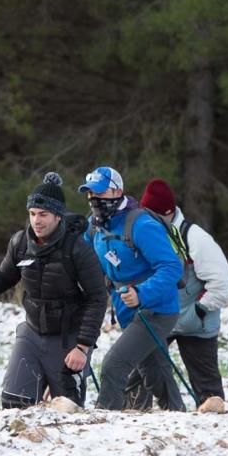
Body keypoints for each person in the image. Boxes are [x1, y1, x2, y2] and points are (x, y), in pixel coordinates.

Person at [0, 172, 107, 408]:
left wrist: (83, 347)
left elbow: (97, 298)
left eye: (43, 215)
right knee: (14, 404)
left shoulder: (78, 249)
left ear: (58, 216)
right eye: (32, 214)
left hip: (68, 339)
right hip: (32, 332)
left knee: (66, 411)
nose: (36, 221)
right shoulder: (20, 243)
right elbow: (5, 276)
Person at [78, 166, 185, 411]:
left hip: (157, 309)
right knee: (155, 372)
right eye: (90, 194)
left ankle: (104, 420)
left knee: (113, 365)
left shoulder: (141, 224)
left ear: (117, 191)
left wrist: (142, 293)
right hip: (126, 309)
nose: (94, 200)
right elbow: (82, 259)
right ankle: (179, 416)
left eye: (100, 193)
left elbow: (171, 267)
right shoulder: (93, 226)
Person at [125, 179, 228, 409]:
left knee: (207, 385)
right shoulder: (145, 234)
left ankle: (212, 424)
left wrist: (199, 310)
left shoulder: (196, 238)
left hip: (195, 322)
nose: (147, 220)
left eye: (152, 215)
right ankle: (134, 414)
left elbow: (222, 282)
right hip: (161, 317)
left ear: (169, 212)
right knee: (140, 370)